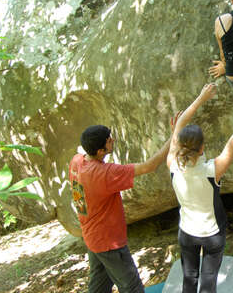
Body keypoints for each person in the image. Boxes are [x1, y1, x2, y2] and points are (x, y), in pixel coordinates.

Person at [167, 82, 233, 293]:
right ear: (202, 147)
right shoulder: (212, 170)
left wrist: (201, 97)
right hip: (212, 234)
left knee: (189, 279)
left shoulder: (172, 165)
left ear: (178, 143)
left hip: (187, 233)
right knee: (208, 281)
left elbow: (179, 126)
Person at [69, 117, 178, 293]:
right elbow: (149, 166)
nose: (113, 140)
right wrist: (174, 135)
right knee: (132, 287)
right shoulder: (104, 174)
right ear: (100, 150)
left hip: (92, 237)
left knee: (99, 285)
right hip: (108, 242)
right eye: (109, 140)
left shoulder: (77, 161)